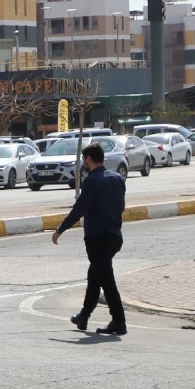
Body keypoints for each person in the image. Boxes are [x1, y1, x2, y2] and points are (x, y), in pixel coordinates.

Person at [51, 140, 128, 336]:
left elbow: (79, 210)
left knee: (106, 280)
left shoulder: (92, 181)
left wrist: (61, 229)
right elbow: (121, 207)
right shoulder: (118, 178)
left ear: (88, 159)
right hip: (115, 236)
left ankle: (119, 321)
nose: (84, 163)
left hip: (97, 239)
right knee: (95, 277)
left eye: (84, 160)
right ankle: (83, 317)